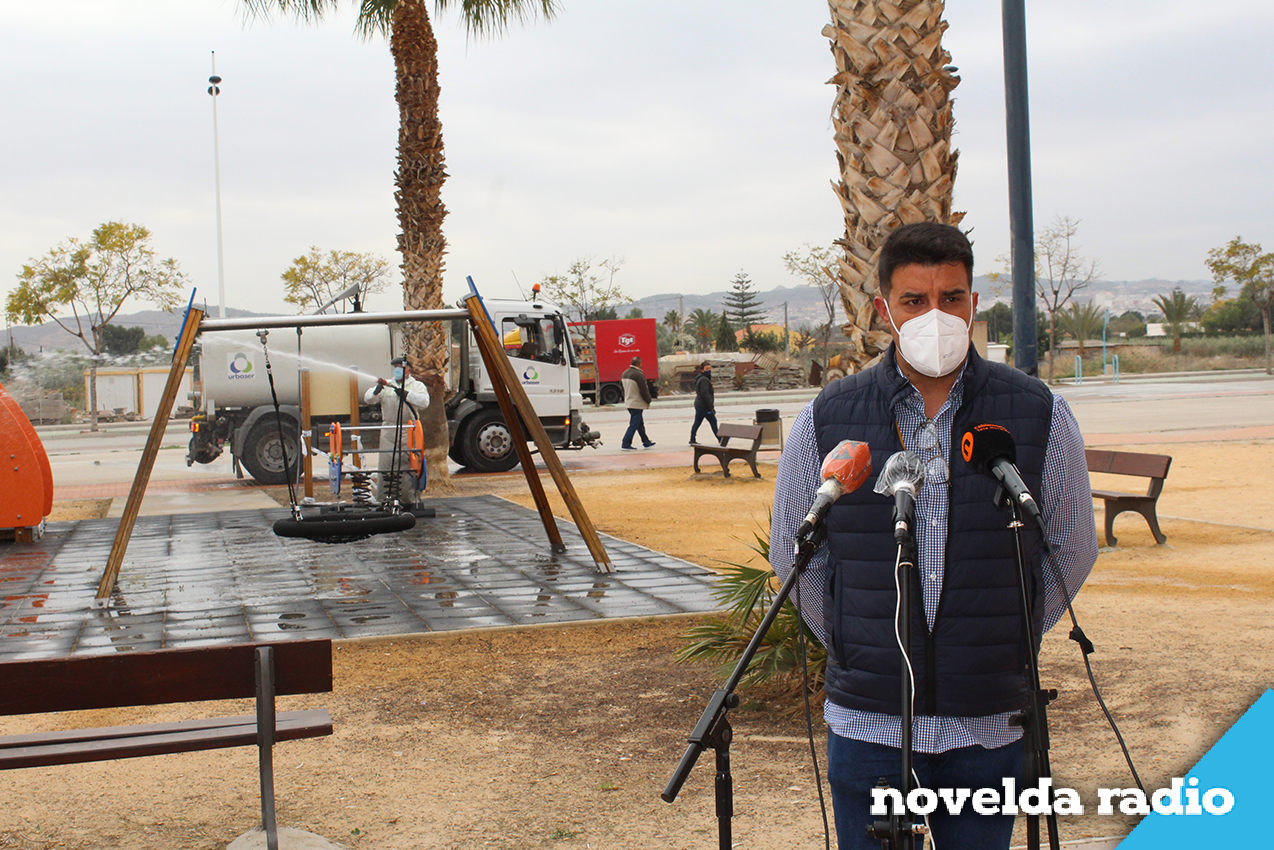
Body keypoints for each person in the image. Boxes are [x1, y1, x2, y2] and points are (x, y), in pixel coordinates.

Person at [769, 222, 1098, 850]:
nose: (936, 316)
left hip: (987, 724)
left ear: (973, 303)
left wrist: (1007, 636)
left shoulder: (1039, 412)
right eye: (914, 301)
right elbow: (795, 554)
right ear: (883, 310)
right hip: (870, 724)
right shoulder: (826, 418)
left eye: (951, 298)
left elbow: (1071, 547)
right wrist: (851, 640)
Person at [364, 355, 430, 506]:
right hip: (389, 429)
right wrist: (376, 390)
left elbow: (424, 402)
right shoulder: (388, 384)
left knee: (408, 465)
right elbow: (369, 399)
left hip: (409, 429)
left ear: (408, 370)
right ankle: (385, 499)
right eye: (395, 368)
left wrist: (407, 395)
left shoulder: (417, 385)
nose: (397, 371)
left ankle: (409, 500)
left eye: (400, 368)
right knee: (387, 464)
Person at [620, 356, 656, 451]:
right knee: (634, 424)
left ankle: (646, 442)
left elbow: (622, 389)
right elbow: (644, 389)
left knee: (639, 424)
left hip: (629, 402)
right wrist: (648, 400)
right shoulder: (638, 375)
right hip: (636, 403)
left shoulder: (624, 373)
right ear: (639, 364)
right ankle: (625, 443)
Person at [689, 361, 719, 444]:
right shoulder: (704, 380)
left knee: (697, 422)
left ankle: (692, 439)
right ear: (702, 370)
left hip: (699, 404)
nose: (709, 370)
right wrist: (711, 407)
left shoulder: (700, 378)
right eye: (707, 369)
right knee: (713, 421)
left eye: (709, 368)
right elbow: (705, 394)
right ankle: (720, 438)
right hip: (704, 405)